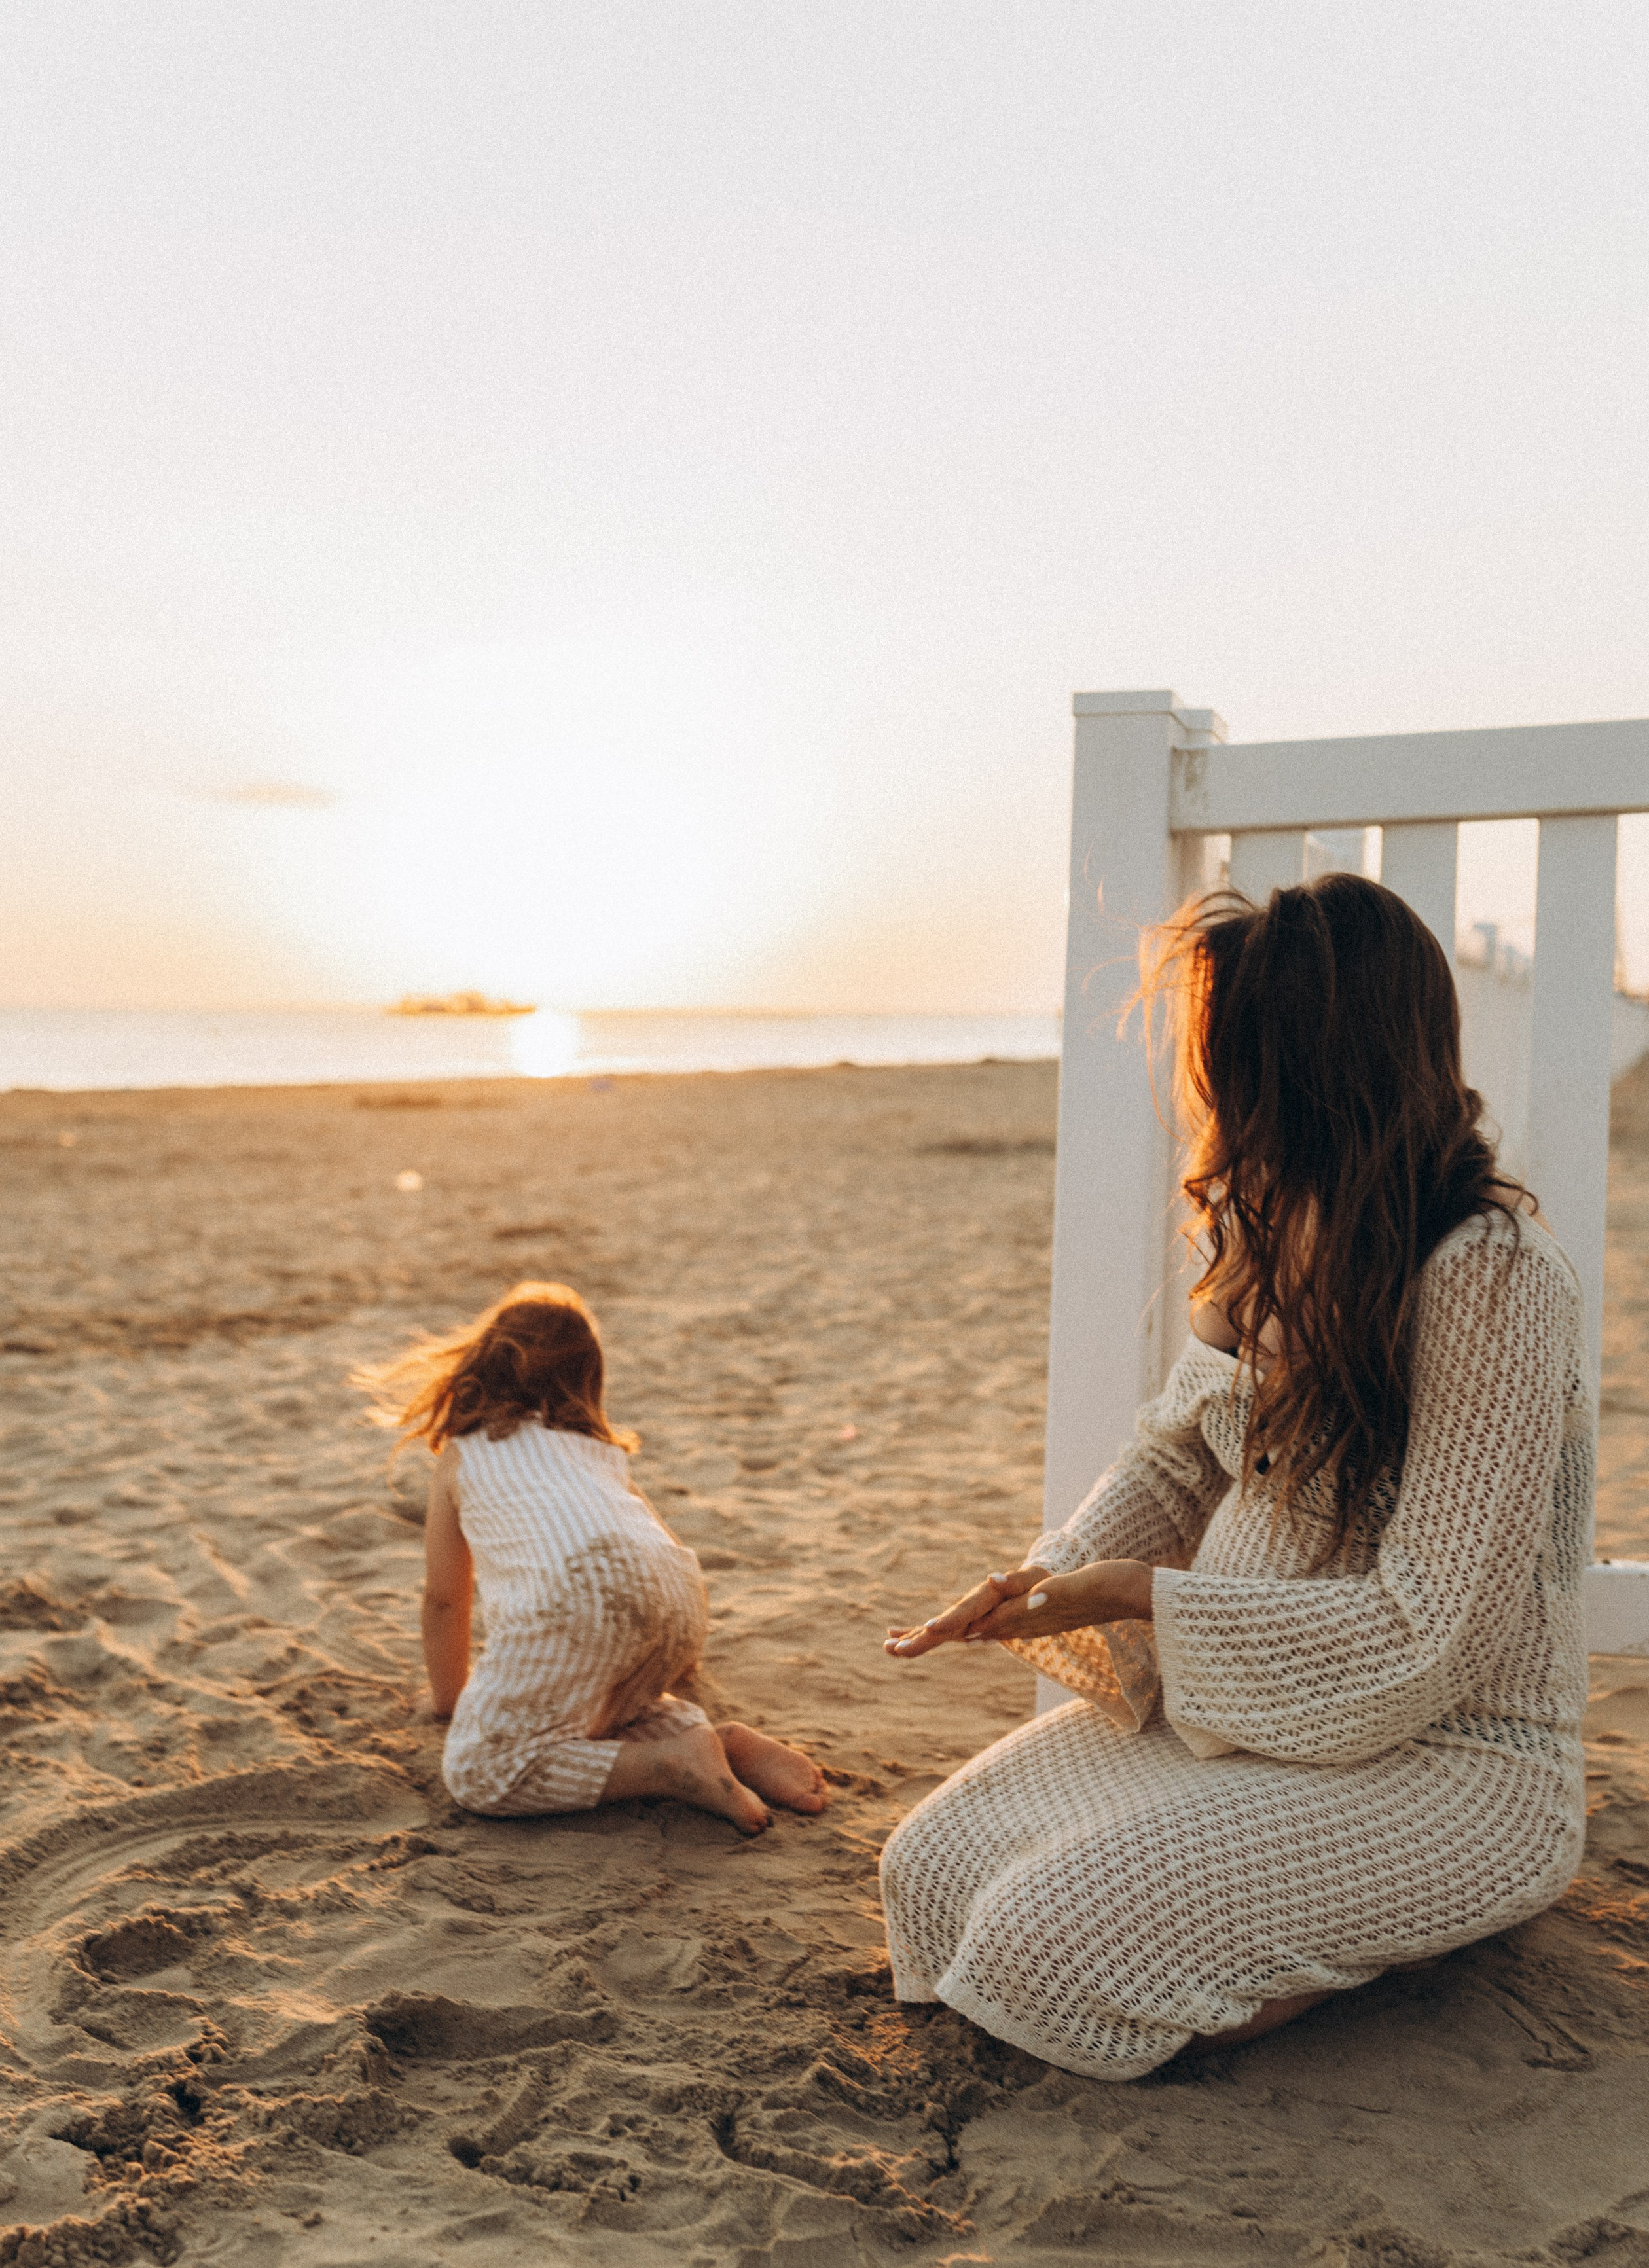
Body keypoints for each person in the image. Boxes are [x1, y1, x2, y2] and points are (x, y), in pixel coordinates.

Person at [880, 874, 1591, 2080]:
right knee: (933, 1873)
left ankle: (1401, 1933)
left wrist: (1141, 1596)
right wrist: (1048, 1581)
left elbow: (1428, 1636)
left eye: (1241, 1052)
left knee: (1048, 1945)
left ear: (1317, 1062)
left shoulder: (1492, 1275)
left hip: (1455, 1755)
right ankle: (1288, 1903)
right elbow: (1175, 1452)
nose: (1218, 1086)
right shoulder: (1271, 1235)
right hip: (1258, 1716)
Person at [356, 1280, 826, 1834]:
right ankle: (718, 1744)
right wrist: (672, 1659)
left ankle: (670, 1764)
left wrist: (449, 1702)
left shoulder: (464, 1455)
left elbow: (444, 1598)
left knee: (481, 1769)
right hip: (678, 1588)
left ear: (482, 1365)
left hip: (578, 1591)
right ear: (586, 1381)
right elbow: (646, 1539)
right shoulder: (598, 1453)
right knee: (606, 1710)